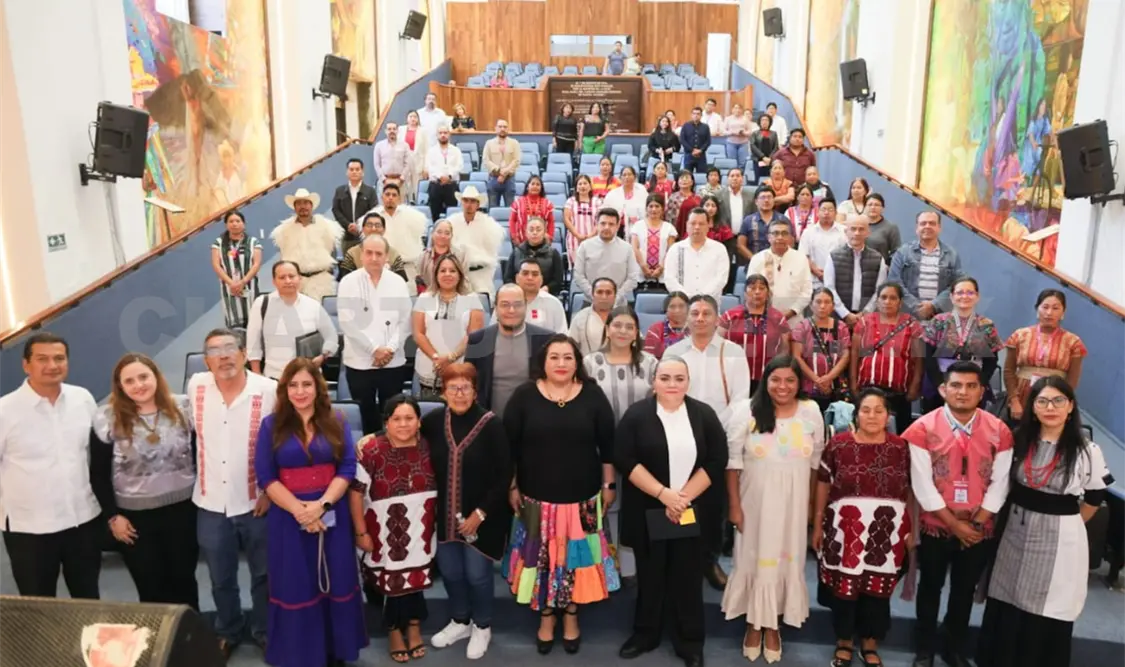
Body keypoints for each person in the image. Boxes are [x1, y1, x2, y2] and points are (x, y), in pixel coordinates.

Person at [975, 378, 1113, 667]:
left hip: (1060, 536)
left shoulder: (1088, 451)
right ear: (1032, 408)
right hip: (1014, 529)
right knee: (1007, 596)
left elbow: (1095, 496)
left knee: (1048, 602)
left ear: (1071, 406)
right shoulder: (1018, 440)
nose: (1050, 408)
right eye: (1042, 401)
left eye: (1058, 401)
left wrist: (1070, 525)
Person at [502, 334, 620, 655]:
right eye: (554, 357)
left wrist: (609, 485)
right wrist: (512, 485)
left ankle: (570, 614)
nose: (561, 364)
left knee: (573, 561)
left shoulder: (593, 396)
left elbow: (608, 446)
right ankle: (546, 616)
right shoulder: (524, 396)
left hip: (581, 498)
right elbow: (509, 448)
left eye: (568, 358)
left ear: (576, 362)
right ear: (543, 361)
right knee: (542, 561)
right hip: (536, 498)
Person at [615, 356, 728, 667]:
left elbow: (717, 460)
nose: (672, 385)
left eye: (679, 379)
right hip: (650, 508)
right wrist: (664, 495)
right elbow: (625, 459)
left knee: (688, 577)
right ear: (654, 381)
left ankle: (690, 641)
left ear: (688, 382)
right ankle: (645, 634)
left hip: (691, 509)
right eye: (665, 378)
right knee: (650, 575)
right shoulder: (636, 415)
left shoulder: (703, 415)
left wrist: (682, 498)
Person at [255, 358, 367, 667]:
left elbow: (346, 467)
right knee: (295, 582)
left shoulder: (337, 420)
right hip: (287, 517)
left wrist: (322, 505)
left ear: (318, 387)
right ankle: (301, 654)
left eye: (307, 384)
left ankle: (334, 652)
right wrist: (300, 511)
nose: (300, 391)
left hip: (332, 512)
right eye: (293, 385)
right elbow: (266, 476)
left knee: (337, 578)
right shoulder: (270, 425)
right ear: (285, 389)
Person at [903, 362, 1014, 667]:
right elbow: (922, 485)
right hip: (934, 526)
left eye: (970, 386)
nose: (962, 392)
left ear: (982, 391)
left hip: (979, 528)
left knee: (963, 592)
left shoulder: (999, 431)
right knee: (930, 588)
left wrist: (974, 524)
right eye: (956, 385)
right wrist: (955, 524)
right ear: (943, 390)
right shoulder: (921, 429)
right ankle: (924, 649)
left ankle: (953, 649)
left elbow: (1001, 483)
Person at [722, 356, 825, 663]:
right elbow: (732, 464)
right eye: (776, 380)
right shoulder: (747, 411)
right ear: (765, 381)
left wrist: (810, 509)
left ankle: (774, 624)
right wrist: (735, 507)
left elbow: (816, 464)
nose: (783, 387)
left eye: (790, 380)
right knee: (754, 561)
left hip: (793, 504)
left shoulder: (811, 412)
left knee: (784, 563)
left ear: (799, 383)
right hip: (754, 502)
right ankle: (754, 623)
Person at [188, 328, 276, 658]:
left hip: (258, 501)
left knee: (264, 575)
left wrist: (270, 489)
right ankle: (228, 628)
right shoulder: (195, 386)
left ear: (243, 353)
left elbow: (280, 443)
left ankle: (265, 630)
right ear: (206, 360)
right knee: (220, 576)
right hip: (210, 502)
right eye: (214, 350)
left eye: (230, 348)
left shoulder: (268, 389)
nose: (223, 355)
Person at [812, 387, 913, 667]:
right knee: (844, 589)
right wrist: (817, 523)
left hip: (886, 533)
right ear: (856, 415)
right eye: (866, 410)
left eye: (878, 410)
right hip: (845, 533)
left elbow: (912, 490)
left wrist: (910, 529)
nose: (872, 416)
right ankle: (843, 641)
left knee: (877, 591)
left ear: (888, 416)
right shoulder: (839, 445)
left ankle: (870, 642)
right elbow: (823, 482)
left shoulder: (901, 448)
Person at [91, 354, 198, 608]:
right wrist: (113, 516)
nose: (138, 385)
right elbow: (98, 473)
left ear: (156, 377)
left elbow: (198, 456)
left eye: (143, 377)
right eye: (129, 381)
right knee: (151, 586)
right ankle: (159, 644)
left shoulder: (183, 409)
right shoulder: (108, 419)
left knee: (184, 582)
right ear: (120, 386)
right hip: (134, 519)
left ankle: (191, 642)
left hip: (182, 511)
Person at [421, 364, 514, 659]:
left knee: (477, 575)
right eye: (453, 388)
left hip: (483, 516)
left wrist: (480, 514)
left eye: (466, 388)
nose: (459, 394)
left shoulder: (492, 424)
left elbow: (504, 476)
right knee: (450, 571)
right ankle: (460, 620)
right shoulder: (434, 421)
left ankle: (482, 625)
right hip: (443, 515)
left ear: (475, 391)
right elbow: (404, 438)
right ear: (443, 391)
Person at [1, 333, 101, 599]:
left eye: (59, 358)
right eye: (42, 359)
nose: (52, 365)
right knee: (38, 607)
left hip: (82, 520)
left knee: (88, 599)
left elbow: (96, 455)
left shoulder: (83, 399)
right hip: (29, 528)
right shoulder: (5, 411)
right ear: (26, 365)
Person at [666, 295, 750, 590]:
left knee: (714, 506)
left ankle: (710, 560)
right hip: (679, 439)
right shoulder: (674, 353)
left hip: (720, 440)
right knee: (682, 500)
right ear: (686, 318)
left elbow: (741, 400)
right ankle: (684, 559)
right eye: (695, 313)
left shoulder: (734, 352)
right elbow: (666, 393)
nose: (700, 318)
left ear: (717, 318)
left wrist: (712, 431)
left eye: (706, 313)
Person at [351, 395, 437, 663]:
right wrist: (361, 532)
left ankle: (413, 626)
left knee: (415, 581)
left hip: (421, 528)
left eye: (409, 418)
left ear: (419, 421)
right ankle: (393, 631)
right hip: (382, 532)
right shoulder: (371, 450)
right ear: (386, 423)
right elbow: (355, 494)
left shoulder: (430, 447)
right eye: (396, 419)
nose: (403, 424)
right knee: (388, 581)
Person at [337, 236, 413, 433]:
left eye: (379, 253)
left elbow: (406, 321)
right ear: (361, 255)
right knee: (365, 413)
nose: (373, 258)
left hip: (392, 360)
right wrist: (373, 349)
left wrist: (389, 349)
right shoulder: (348, 282)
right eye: (369, 253)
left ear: (386, 256)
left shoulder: (397, 282)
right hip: (359, 362)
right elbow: (347, 322)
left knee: (393, 412)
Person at [464, 283, 555, 417]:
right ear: (496, 307)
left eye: (517, 304)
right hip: (489, 424)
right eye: (505, 305)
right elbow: (469, 382)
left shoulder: (545, 340)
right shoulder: (478, 339)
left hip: (532, 424)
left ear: (526, 306)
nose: (511, 310)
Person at [1002, 289, 1086, 423]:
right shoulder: (1020, 335)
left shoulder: (1073, 342)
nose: (1049, 313)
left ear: (1063, 313)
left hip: (1053, 401)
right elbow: (1008, 371)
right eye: (1045, 307)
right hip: (1021, 397)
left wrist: (1060, 404)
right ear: (1037, 309)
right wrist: (1014, 400)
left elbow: (1072, 380)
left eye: (1055, 308)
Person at [921, 277, 1004, 413]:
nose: (964, 296)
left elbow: (992, 360)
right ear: (952, 297)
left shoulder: (986, 324)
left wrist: (979, 383)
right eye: (959, 293)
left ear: (977, 297)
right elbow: (928, 357)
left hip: (972, 385)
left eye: (970, 293)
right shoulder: (939, 321)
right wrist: (941, 385)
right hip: (941, 384)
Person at [850, 282, 923, 434]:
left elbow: (919, 359)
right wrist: (853, 384)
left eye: (892, 298)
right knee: (865, 434)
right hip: (867, 390)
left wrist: (914, 386)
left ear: (900, 302)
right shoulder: (864, 322)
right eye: (883, 297)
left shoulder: (912, 325)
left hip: (898, 394)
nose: (887, 302)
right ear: (877, 301)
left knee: (900, 437)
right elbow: (855, 354)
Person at [246, 262, 338, 380]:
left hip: (309, 377)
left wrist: (323, 356)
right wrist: (257, 376)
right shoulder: (262, 304)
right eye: (282, 277)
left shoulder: (313, 305)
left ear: (299, 278)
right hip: (275, 377)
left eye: (291, 276)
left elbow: (331, 336)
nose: (288, 281)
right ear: (274, 281)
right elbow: (253, 343)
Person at [412, 253, 486, 399]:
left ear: (459, 274)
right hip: (430, 369)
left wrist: (450, 358)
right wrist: (436, 358)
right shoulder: (424, 298)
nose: (447, 274)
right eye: (443, 270)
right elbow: (418, 333)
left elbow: (474, 335)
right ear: (436, 274)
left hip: (461, 370)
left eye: (452, 271)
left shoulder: (472, 299)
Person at [719, 274, 791, 394]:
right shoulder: (729, 316)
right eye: (752, 288)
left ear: (768, 293)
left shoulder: (778, 318)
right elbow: (718, 346)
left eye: (762, 288)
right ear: (745, 293)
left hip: (767, 378)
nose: (757, 292)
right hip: (734, 376)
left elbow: (785, 350)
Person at [584, 307, 658, 423]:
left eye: (629, 327)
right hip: (600, 433)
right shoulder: (589, 363)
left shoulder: (650, 363)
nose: (623, 331)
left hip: (642, 433)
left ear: (636, 334)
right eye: (617, 325)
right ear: (607, 330)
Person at [272, 188, 343, 300]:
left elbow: (331, 253)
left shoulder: (327, 227)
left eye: (305, 203)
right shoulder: (284, 231)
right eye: (299, 203)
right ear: (294, 207)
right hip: (295, 282)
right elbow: (283, 256)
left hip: (321, 280)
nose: (302, 206)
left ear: (311, 205)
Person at [889, 212, 962, 320]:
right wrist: (916, 307)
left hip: (940, 318)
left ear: (939, 228)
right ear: (917, 228)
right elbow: (893, 281)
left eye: (932, 223)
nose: (927, 226)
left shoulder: (952, 254)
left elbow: (957, 285)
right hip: (908, 317)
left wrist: (934, 305)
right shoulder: (903, 252)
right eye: (923, 223)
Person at [791, 288, 851, 412]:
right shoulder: (802, 327)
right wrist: (817, 380)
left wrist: (829, 378)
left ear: (833, 306)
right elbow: (797, 356)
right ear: (811, 305)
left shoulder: (841, 327)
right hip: (808, 388)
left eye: (827, 302)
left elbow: (845, 356)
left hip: (835, 387)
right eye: (818, 302)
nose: (822, 306)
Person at [747, 219, 813, 327]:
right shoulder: (757, 259)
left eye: (784, 233)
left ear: (791, 238)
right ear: (769, 237)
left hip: (793, 320)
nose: (780, 237)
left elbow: (807, 290)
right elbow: (750, 290)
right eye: (775, 233)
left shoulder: (800, 258)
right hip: (763, 319)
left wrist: (791, 312)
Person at [824, 216, 888, 323]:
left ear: (868, 232)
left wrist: (866, 313)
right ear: (846, 231)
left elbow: (880, 290)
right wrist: (845, 314)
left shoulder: (878, 258)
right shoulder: (834, 256)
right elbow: (829, 288)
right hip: (838, 317)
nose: (857, 233)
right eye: (853, 229)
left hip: (868, 318)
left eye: (861, 229)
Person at [573, 208, 641, 307]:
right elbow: (579, 276)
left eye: (611, 224)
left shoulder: (627, 248)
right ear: (596, 224)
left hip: (618, 305)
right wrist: (595, 296)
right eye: (603, 223)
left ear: (617, 226)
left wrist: (615, 298)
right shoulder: (585, 246)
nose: (606, 227)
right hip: (590, 303)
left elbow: (633, 278)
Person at [448, 185, 504, 299]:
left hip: (481, 274)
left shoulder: (489, 225)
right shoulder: (452, 222)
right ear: (461, 202)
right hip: (458, 274)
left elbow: (492, 252)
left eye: (473, 201)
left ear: (478, 204)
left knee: (483, 306)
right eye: (466, 201)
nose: (469, 204)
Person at [663, 207, 729, 302]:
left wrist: (702, 298)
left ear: (708, 225)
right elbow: (670, 278)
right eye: (693, 223)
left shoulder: (719, 249)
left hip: (710, 305)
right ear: (687, 225)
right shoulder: (676, 249)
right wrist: (687, 297)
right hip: (683, 305)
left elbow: (721, 279)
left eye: (701, 224)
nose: (697, 227)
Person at [211, 210, 263, 328]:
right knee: (234, 320)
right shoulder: (218, 243)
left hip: (250, 285)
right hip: (229, 288)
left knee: (253, 319)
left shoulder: (253, 242)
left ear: (243, 224)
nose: (234, 224)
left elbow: (256, 264)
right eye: (231, 221)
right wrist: (231, 283)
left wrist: (242, 282)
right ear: (226, 225)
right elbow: (216, 264)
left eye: (238, 221)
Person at [374, 182, 427, 285]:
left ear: (399, 198)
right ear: (382, 197)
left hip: (407, 266)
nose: (390, 198)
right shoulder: (373, 218)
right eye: (387, 194)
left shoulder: (413, 217)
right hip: (381, 268)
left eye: (394, 195)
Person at [499, 258, 568, 333]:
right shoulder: (504, 302)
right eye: (525, 273)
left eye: (535, 274)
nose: (530, 278)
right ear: (517, 278)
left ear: (541, 280)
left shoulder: (554, 304)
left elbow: (562, 336)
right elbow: (494, 333)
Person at [339, 211, 409, 281]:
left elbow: (401, 281)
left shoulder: (393, 253)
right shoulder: (352, 253)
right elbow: (345, 280)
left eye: (378, 225)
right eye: (369, 225)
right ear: (363, 229)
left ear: (384, 230)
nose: (373, 229)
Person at [505, 216, 565, 294]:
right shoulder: (516, 252)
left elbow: (558, 281)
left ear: (544, 232)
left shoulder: (553, 253)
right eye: (531, 229)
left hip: (545, 295)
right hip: (519, 295)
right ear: (526, 232)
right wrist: (518, 290)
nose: (535, 233)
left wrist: (546, 289)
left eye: (538, 230)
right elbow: (508, 278)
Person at [630, 194, 678, 289]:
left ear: (662, 208)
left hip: (662, 275)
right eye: (651, 206)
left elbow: (670, 251)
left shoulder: (669, 228)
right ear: (646, 208)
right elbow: (635, 248)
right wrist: (644, 267)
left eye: (657, 206)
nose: (654, 209)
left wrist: (660, 268)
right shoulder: (638, 226)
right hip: (641, 273)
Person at [331, 158, 378, 254]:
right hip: (346, 236)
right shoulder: (339, 191)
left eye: (357, 169)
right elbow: (336, 210)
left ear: (362, 172)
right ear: (347, 172)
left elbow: (373, 211)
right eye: (351, 169)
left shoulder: (370, 191)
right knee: (347, 265)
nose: (354, 172)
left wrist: (359, 226)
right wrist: (348, 225)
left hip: (364, 236)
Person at [799, 197, 847, 290]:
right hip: (814, 282)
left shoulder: (844, 231)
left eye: (830, 210)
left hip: (838, 282)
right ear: (817, 212)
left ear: (836, 213)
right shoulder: (808, 232)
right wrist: (817, 272)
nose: (826, 212)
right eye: (823, 209)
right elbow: (803, 256)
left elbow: (847, 255)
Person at [699, 194, 739, 293]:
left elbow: (729, 251)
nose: (710, 208)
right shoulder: (696, 227)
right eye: (707, 205)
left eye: (713, 205)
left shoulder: (724, 228)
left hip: (718, 267)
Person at [425, 125, 465, 221]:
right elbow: (429, 167)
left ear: (449, 134)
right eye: (440, 133)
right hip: (436, 185)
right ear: (437, 135)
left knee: (452, 215)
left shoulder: (456, 150)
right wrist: (440, 177)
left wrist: (449, 176)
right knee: (434, 213)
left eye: (445, 133)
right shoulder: (431, 151)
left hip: (451, 185)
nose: (443, 135)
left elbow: (459, 166)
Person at [416, 218, 466, 293]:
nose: (443, 236)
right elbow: (419, 280)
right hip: (429, 297)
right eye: (439, 232)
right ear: (432, 234)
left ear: (451, 236)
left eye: (447, 233)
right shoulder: (423, 256)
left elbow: (464, 281)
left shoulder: (460, 255)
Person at [736, 187, 788, 260]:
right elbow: (741, 245)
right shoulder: (748, 220)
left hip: (779, 261)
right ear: (756, 201)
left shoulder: (783, 220)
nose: (766, 200)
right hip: (754, 262)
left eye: (769, 197)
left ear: (774, 200)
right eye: (763, 197)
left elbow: (789, 243)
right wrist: (754, 259)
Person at [570, 277, 618, 356]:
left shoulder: (625, 317)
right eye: (599, 292)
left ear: (615, 296)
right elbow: (571, 346)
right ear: (592, 295)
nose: (604, 297)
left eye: (608, 293)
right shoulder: (580, 317)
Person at [564, 174, 603, 265]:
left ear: (590, 187)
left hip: (594, 239)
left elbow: (601, 220)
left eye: (585, 183)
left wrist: (591, 235)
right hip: (575, 239)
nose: (582, 186)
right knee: (577, 268)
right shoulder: (571, 201)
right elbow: (566, 219)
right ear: (576, 188)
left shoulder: (597, 202)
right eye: (580, 184)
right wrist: (577, 235)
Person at [483, 119, 521, 208]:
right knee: (493, 209)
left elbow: (516, 160)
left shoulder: (514, 143)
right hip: (493, 179)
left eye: (505, 127)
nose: (502, 129)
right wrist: (499, 171)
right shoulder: (489, 143)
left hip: (509, 180)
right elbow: (486, 160)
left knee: (511, 210)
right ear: (495, 128)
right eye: (500, 127)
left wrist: (505, 173)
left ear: (508, 129)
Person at [509, 175, 556, 245]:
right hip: (521, 242)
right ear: (528, 187)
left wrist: (550, 236)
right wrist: (514, 236)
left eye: (538, 184)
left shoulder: (547, 204)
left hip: (541, 242)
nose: (535, 186)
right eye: (533, 184)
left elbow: (551, 221)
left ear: (541, 188)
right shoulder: (518, 202)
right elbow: (512, 220)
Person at [643, 291, 690, 358]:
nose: (677, 310)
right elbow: (648, 358)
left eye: (681, 306)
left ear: (688, 309)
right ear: (666, 310)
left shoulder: (695, 329)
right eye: (672, 307)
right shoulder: (656, 329)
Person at [717, 168, 756, 248]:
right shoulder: (718, 195)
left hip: (745, 238)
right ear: (728, 179)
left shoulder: (751, 195)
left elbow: (754, 214)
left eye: (738, 176)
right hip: (725, 238)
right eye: (732, 176)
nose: (735, 178)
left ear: (742, 179)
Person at [373, 121, 412, 192]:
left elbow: (408, 164)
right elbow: (377, 165)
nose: (392, 131)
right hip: (384, 182)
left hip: (400, 182)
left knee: (400, 203)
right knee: (384, 203)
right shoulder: (379, 145)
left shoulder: (405, 145)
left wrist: (401, 179)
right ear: (385, 131)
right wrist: (384, 180)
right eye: (389, 129)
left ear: (397, 131)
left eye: (394, 129)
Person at [862, 194, 901, 263]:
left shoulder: (891, 227)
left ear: (883, 208)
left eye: (876, 205)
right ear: (865, 207)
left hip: (880, 268)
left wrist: (888, 266)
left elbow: (896, 252)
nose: (873, 207)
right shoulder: (859, 225)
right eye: (870, 205)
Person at [403, 110, 430, 203]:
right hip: (405, 162)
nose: (413, 119)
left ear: (418, 119)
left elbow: (427, 150)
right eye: (410, 116)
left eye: (415, 117)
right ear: (407, 119)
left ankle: (418, 203)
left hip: (419, 162)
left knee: (417, 186)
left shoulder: (423, 131)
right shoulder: (401, 130)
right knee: (406, 186)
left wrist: (426, 168)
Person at [666, 170, 701, 238]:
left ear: (692, 182)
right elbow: (669, 218)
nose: (684, 180)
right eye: (682, 178)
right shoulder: (673, 198)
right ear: (677, 182)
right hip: (677, 231)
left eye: (687, 178)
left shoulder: (697, 198)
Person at [679, 106, 711, 173]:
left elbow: (708, 141)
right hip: (688, 155)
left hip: (701, 156)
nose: (696, 115)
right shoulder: (686, 125)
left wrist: (700, 150)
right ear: (691, 115)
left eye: (698, 114)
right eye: (694, 113)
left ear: (701, 115)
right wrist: (692, 150)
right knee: (687, 174)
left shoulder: (705, 127)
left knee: (702, 175)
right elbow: (682, 140)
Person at [750, 113, 780, 182]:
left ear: (770, 122)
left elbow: (776, 147)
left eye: (766, 120)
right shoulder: (755, 133)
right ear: (759, 122)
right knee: (758, 179)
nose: (764, 122)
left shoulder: (774, 133)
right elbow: (753, 146)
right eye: (762, 120)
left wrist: (770, 158)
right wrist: (763, 157)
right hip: (758, 160)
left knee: (770, 179)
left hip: (770, 161)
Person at [724, 103, 751, 168]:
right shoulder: (728, 119)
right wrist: (732, 132)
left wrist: (744, 133)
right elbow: (723, 131)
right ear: (732, 109)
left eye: (739, 108)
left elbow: (750, 131)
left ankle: (742, 176)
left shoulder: (745, 119)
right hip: (731, 143)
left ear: (742, 110)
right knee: (732, 162)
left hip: (743, 143)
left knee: (742, 163)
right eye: (735, 108)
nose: (737, 110)